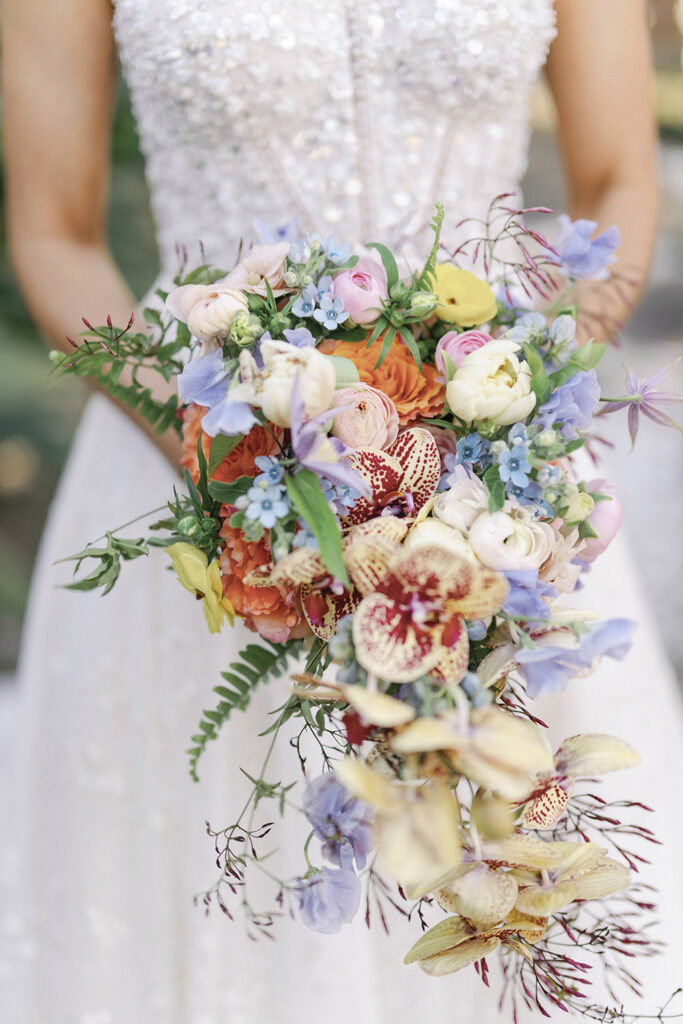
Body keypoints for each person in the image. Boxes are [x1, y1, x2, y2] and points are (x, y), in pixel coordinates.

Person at [1, 1, 680, 1021]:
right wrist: (227, 453)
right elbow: (55, 233)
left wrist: (509, 414)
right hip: (200, 477)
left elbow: (616, 179)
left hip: (494, 491)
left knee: (516, 879)